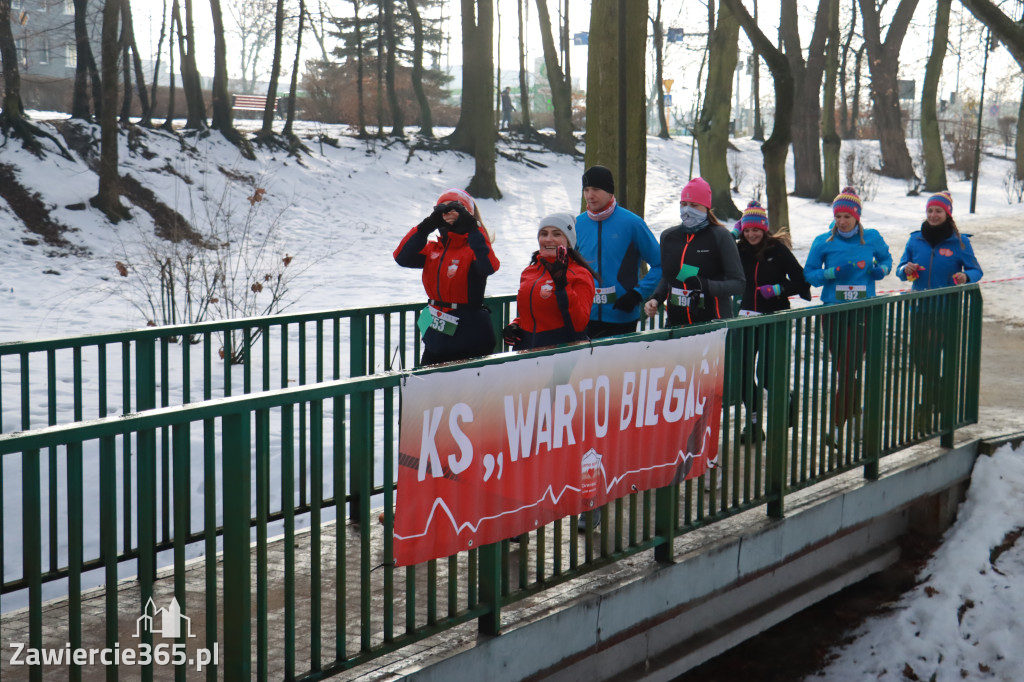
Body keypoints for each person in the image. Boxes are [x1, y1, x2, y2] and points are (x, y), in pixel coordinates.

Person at [803, 187, 892, 445]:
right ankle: (856, 415)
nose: (842, 221)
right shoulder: (824, 242)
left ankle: (837, 425)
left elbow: (887, 260)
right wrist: (830, 274)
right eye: (838, 216)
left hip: (863, 311)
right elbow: (809, 274)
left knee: (846, 367)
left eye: (847, 216)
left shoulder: (872, 239)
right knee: (845, 369)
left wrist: (881, 270)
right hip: (833, 312)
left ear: (857, 217)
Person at [895, 191, 983, 430]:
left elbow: (976, 271)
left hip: (946, 311)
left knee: (933, 356)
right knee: (919, 358)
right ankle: (942, 392)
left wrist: (966, 276)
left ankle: (927, 405)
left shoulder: (960, 242)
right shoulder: (915, 240)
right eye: (930, 211)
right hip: (920, 309)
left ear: (948, 214)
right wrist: (906, 268)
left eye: (938, 211)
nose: (933, 215)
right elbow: (900, 270)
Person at [394, 188, 500, 366]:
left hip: (468, 334)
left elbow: (488, 266)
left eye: (455, 208)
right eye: (441, 208)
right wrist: (425, 226)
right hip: (435, 332)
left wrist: (473, 228)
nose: (447, 212)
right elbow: (401, 257)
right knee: (428, 388)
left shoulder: (473, 247)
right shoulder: (434, 248)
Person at [733, 200, 811, 443]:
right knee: (743, 373)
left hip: (774, 318)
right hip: (746, 318)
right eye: (747, 230)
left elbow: (801, 280)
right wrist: (734, 232)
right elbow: (719, 246)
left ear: (764, 229)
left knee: (765, 374)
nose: (752, 234)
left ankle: (786, 399)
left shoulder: (777, 249)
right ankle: (754, 423)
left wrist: (779, 288)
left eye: (756, 229)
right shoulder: (739, 249)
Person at [643, 177, 745, 327]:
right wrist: (656, 298)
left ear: (706, 207)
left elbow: (739, 283)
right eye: (683, 204)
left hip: (712, 323)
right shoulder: (668, 236)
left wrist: (705, 285)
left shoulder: (720, 236)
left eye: (694, 205)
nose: (687, 210)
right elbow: (668, 276)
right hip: (676, 324)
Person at [576, 165, 663, 339]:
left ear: (609, 191)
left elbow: (660, 264)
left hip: (622, 316)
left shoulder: (632, 223)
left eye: (595, 189)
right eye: (586, 189)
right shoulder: (578, 224)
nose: (589, 195)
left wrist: (638, 294)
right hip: (584, 316)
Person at [503, 213, 597, 350]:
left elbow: (579, 324)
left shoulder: (579, 274)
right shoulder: (530, 271)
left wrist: (562, 284)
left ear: (569, 242)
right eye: (544, 233)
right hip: (526, 351)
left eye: (557, 234)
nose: (548, 239)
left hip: (558, 355)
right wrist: (516, 325)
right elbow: (534, 312)